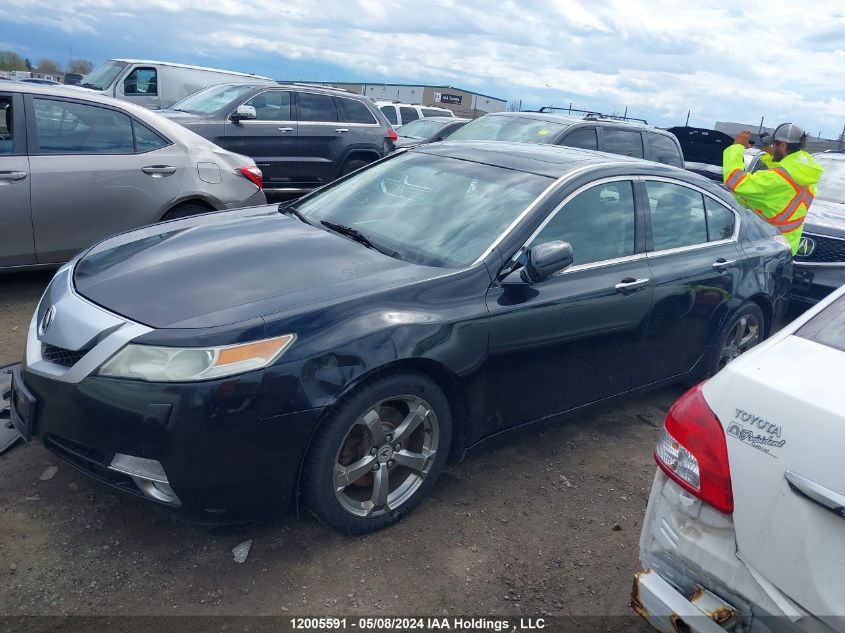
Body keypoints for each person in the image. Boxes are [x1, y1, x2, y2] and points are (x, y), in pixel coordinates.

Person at [723, 123, 823, 255]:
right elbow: (786, 169)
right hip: (787, 245)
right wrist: (770, 155)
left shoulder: (777, 179)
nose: (772, 147)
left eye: (774, 144)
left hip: (768, 246)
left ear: (783, 146)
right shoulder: (805, 168)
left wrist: (736, 147)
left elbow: (734, 182)